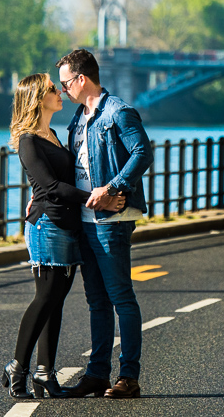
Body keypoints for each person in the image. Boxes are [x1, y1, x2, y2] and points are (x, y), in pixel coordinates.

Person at [2, 73, 124, 400]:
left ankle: (44, 373)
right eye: (53, 89)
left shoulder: (54, 134)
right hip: (46, 225)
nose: (60, 92)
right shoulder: (28, 140)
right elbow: (51, 187)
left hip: (66, 226)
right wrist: (96, 197)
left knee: (55, 301)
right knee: (46, 298)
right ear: (38, 97)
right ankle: (18, 367)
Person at [56, 49, 154, 399]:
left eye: (66, 82)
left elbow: (142, 153)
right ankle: (97, 374)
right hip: (85, 218)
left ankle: (128, 377)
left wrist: (114, 187)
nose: (63, 89)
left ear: (82, 79)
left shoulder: (118, 112)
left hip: (112, 218)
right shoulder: (78, 118)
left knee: (121, 297)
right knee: (97, 301)